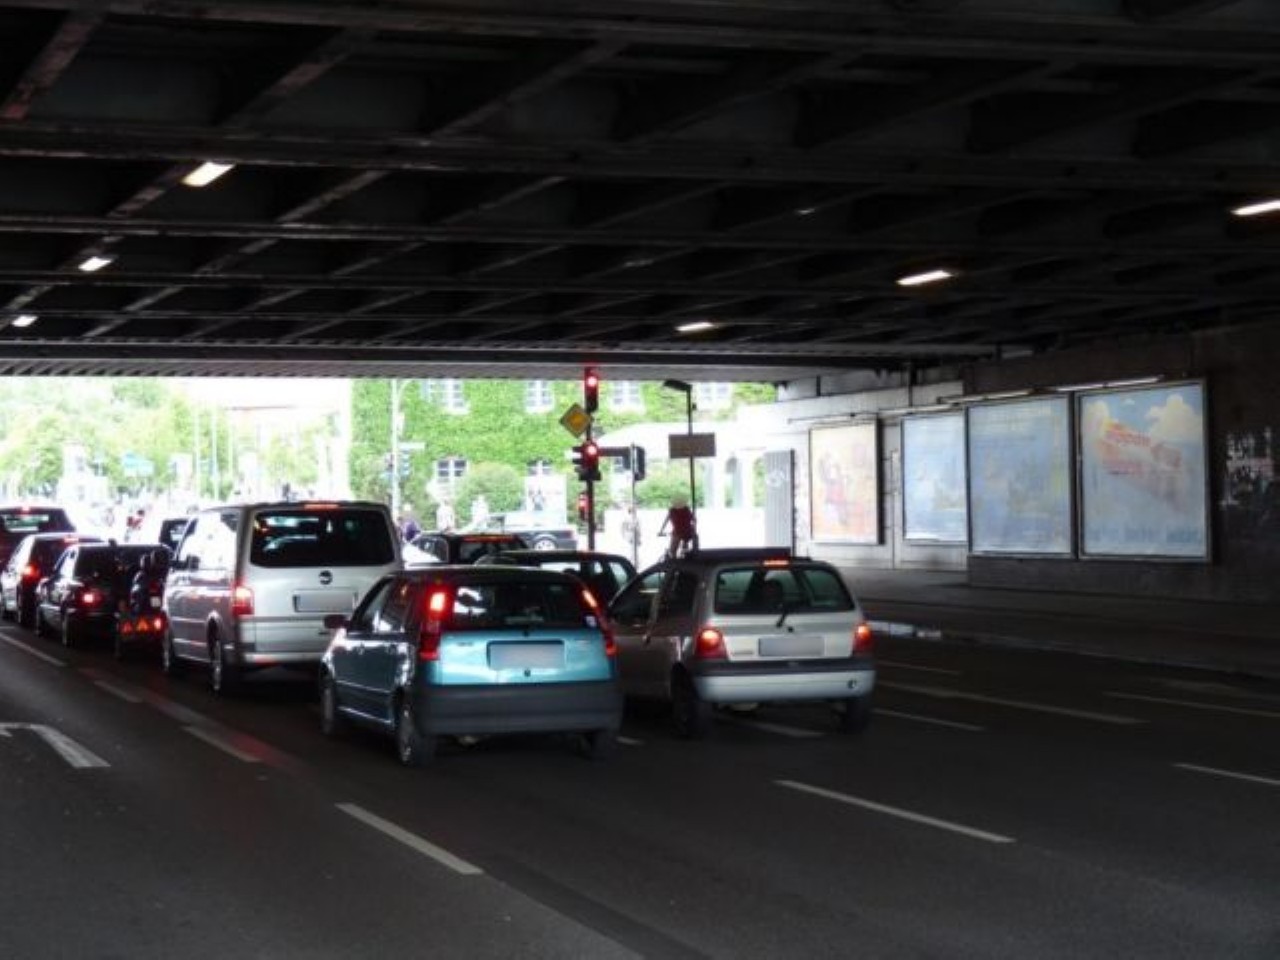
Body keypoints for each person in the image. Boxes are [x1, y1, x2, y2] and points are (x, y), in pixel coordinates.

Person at [659, 495, 696, 559]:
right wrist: (693, 529)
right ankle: (684, 553)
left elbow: (666, 521)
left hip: (678, 532)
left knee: (672, 551)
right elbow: (694, 520)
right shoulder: (686, 509)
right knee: (685, 548)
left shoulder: (672, 510)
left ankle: (675, 560)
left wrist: (661, 531)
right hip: (688, 531)